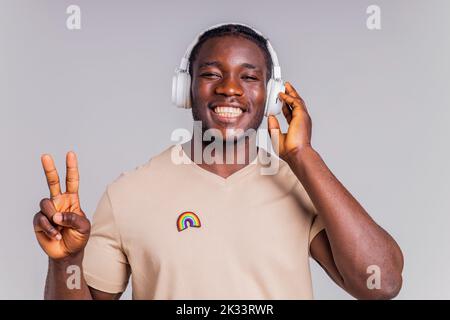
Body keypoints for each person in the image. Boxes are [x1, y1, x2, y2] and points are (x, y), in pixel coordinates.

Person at [33, 23, 403, 300]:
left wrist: (303, 156)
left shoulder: (298, 186)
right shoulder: (129, 193)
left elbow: (381, 282)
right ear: (185, 90)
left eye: (249, 76)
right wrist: (67, 261)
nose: (229, 88)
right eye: (211, 74)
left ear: (272, 94)